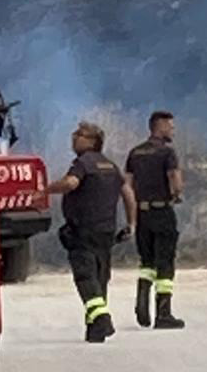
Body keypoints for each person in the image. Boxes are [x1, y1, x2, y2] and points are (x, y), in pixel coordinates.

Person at [44, 121, 137, 343]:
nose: (74, 137)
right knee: (99, 278)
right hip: (106, 231)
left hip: (83, 231)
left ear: (93, 141)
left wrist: (45, 190)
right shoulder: (111, 166)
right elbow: (128, 194)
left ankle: (102, 319)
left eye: (80, 134)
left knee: (86, 277)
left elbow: (70, 184)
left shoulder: (83, 163)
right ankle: (95, 329)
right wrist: (132, 224)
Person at [125, 110, 186, 330]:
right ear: (160, 127)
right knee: (165, 262)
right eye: (170, 126)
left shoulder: (135, 153)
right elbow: (175, 179)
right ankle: (163, 314)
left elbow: (127, 186)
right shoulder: (167, 152)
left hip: (142, 214)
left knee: (147, 261)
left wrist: (132, 217)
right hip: (162, 212)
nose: (173, 130)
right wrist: (177, 194)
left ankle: (142, 303)